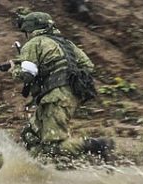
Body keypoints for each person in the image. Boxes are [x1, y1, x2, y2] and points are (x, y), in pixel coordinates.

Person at [9, 12, 114, 161]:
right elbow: (88, 66)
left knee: (54, 146)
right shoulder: (66, 43)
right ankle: (44, 168)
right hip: (68, 96)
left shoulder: (34, 43)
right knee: (30, 135)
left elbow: (28, 75)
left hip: (56, 98)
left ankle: (98, 145)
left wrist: (14, 69)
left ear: (30, 29)